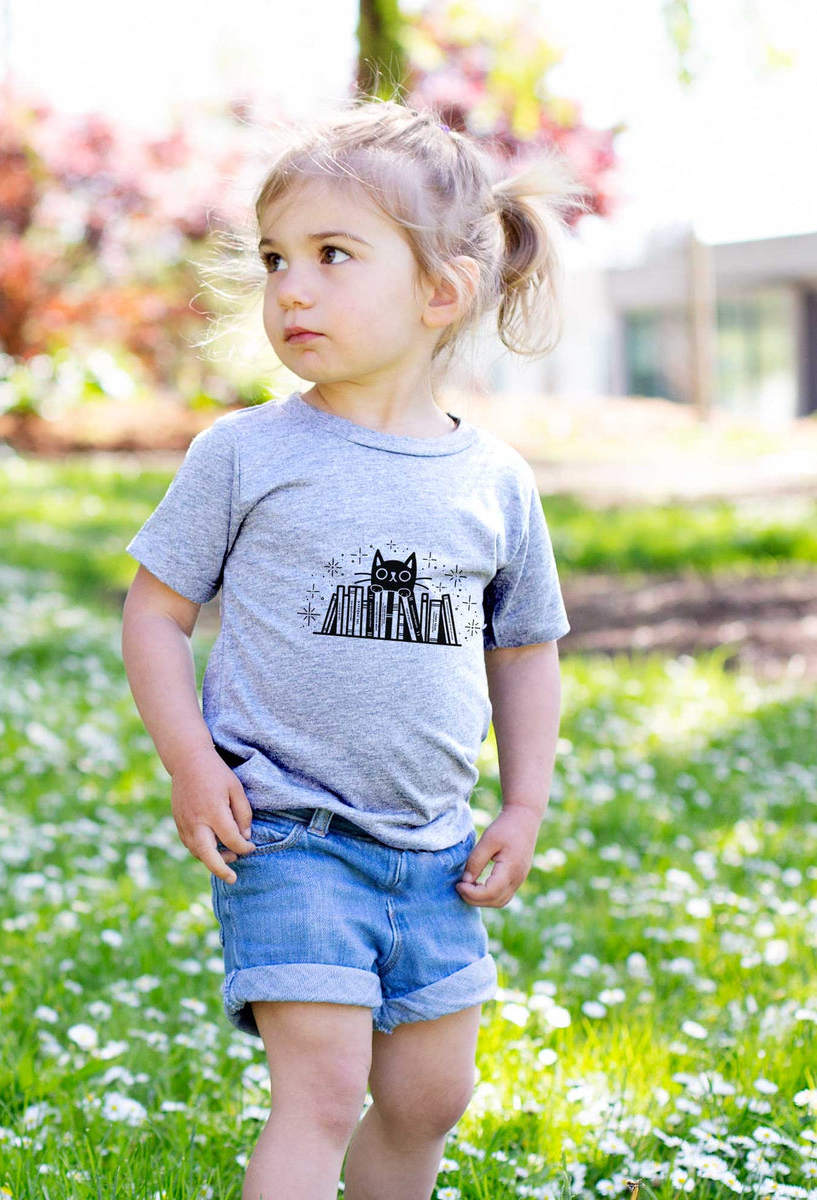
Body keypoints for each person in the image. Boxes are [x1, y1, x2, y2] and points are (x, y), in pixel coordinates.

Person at [121, 96, 587, 1200]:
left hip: (435, 853)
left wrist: (523, 808)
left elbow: (523, 652)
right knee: (322, 1091)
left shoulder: (495, 482)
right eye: (277, 257)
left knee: (430, 1100)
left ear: (442, 290)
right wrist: (192, 760)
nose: (291, 286)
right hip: (288, 831)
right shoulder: (246, 453)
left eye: (334, 255)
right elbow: (155, 612)